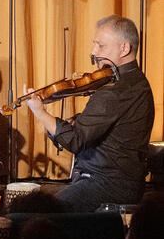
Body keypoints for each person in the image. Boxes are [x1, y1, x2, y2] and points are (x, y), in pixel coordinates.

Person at [25, 15, 155, 212]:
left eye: (101, 46)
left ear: (124, 48)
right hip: (119, 181)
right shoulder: (136, 81)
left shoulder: (115, 91)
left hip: (106, 183)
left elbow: (76, 140)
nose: (93, 52)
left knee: (40, 214)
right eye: (94, 44)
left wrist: (40, 112)